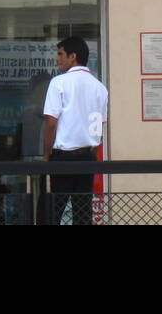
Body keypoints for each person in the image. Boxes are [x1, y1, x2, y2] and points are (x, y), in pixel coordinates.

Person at [41, 36, 108, 225]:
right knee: (82, 211)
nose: (57, 58)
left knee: (52, 210)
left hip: (62, 157)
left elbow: (51, 123)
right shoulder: (100, 88)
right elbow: (99, 127)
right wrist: (91, 152)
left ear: (73, 56)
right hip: (87, 158)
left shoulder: (59, 82)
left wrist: (46, 155)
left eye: (61, 54)